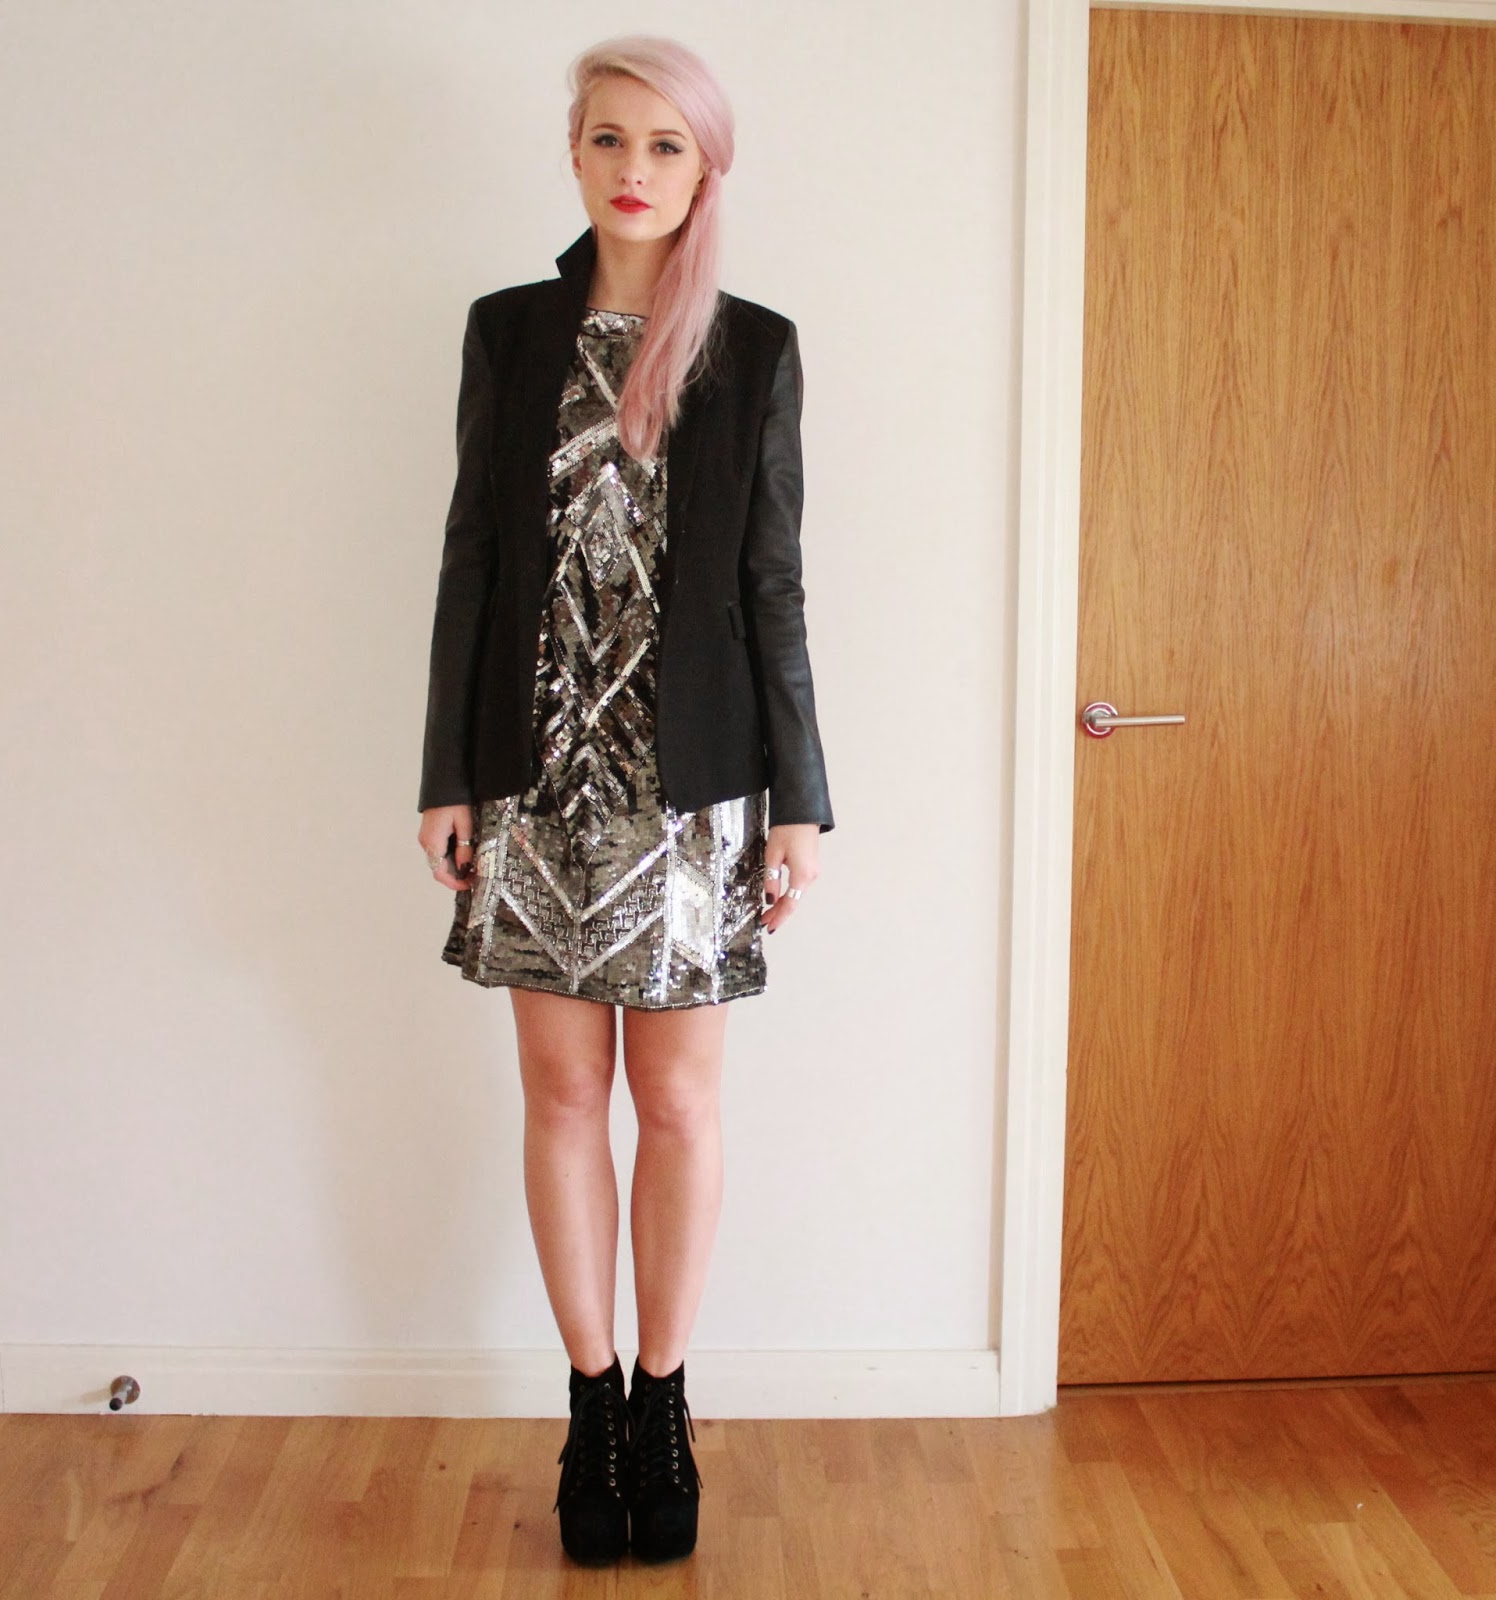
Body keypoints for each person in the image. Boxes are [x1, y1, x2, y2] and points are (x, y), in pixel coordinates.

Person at [415, 34, 833, 1567]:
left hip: (693, 793)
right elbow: (472, 558)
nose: (634, 170)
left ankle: (664, 1399)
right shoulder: (510, 332)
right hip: (535, 784)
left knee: (678, 1104)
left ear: (704, 166)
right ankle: (589, 1404)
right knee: (559, 1096)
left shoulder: (752, 347)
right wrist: (447, 774)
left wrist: (799, 801)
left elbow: (773, 584)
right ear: (576, 152)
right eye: (609, 139)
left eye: (665, 145)